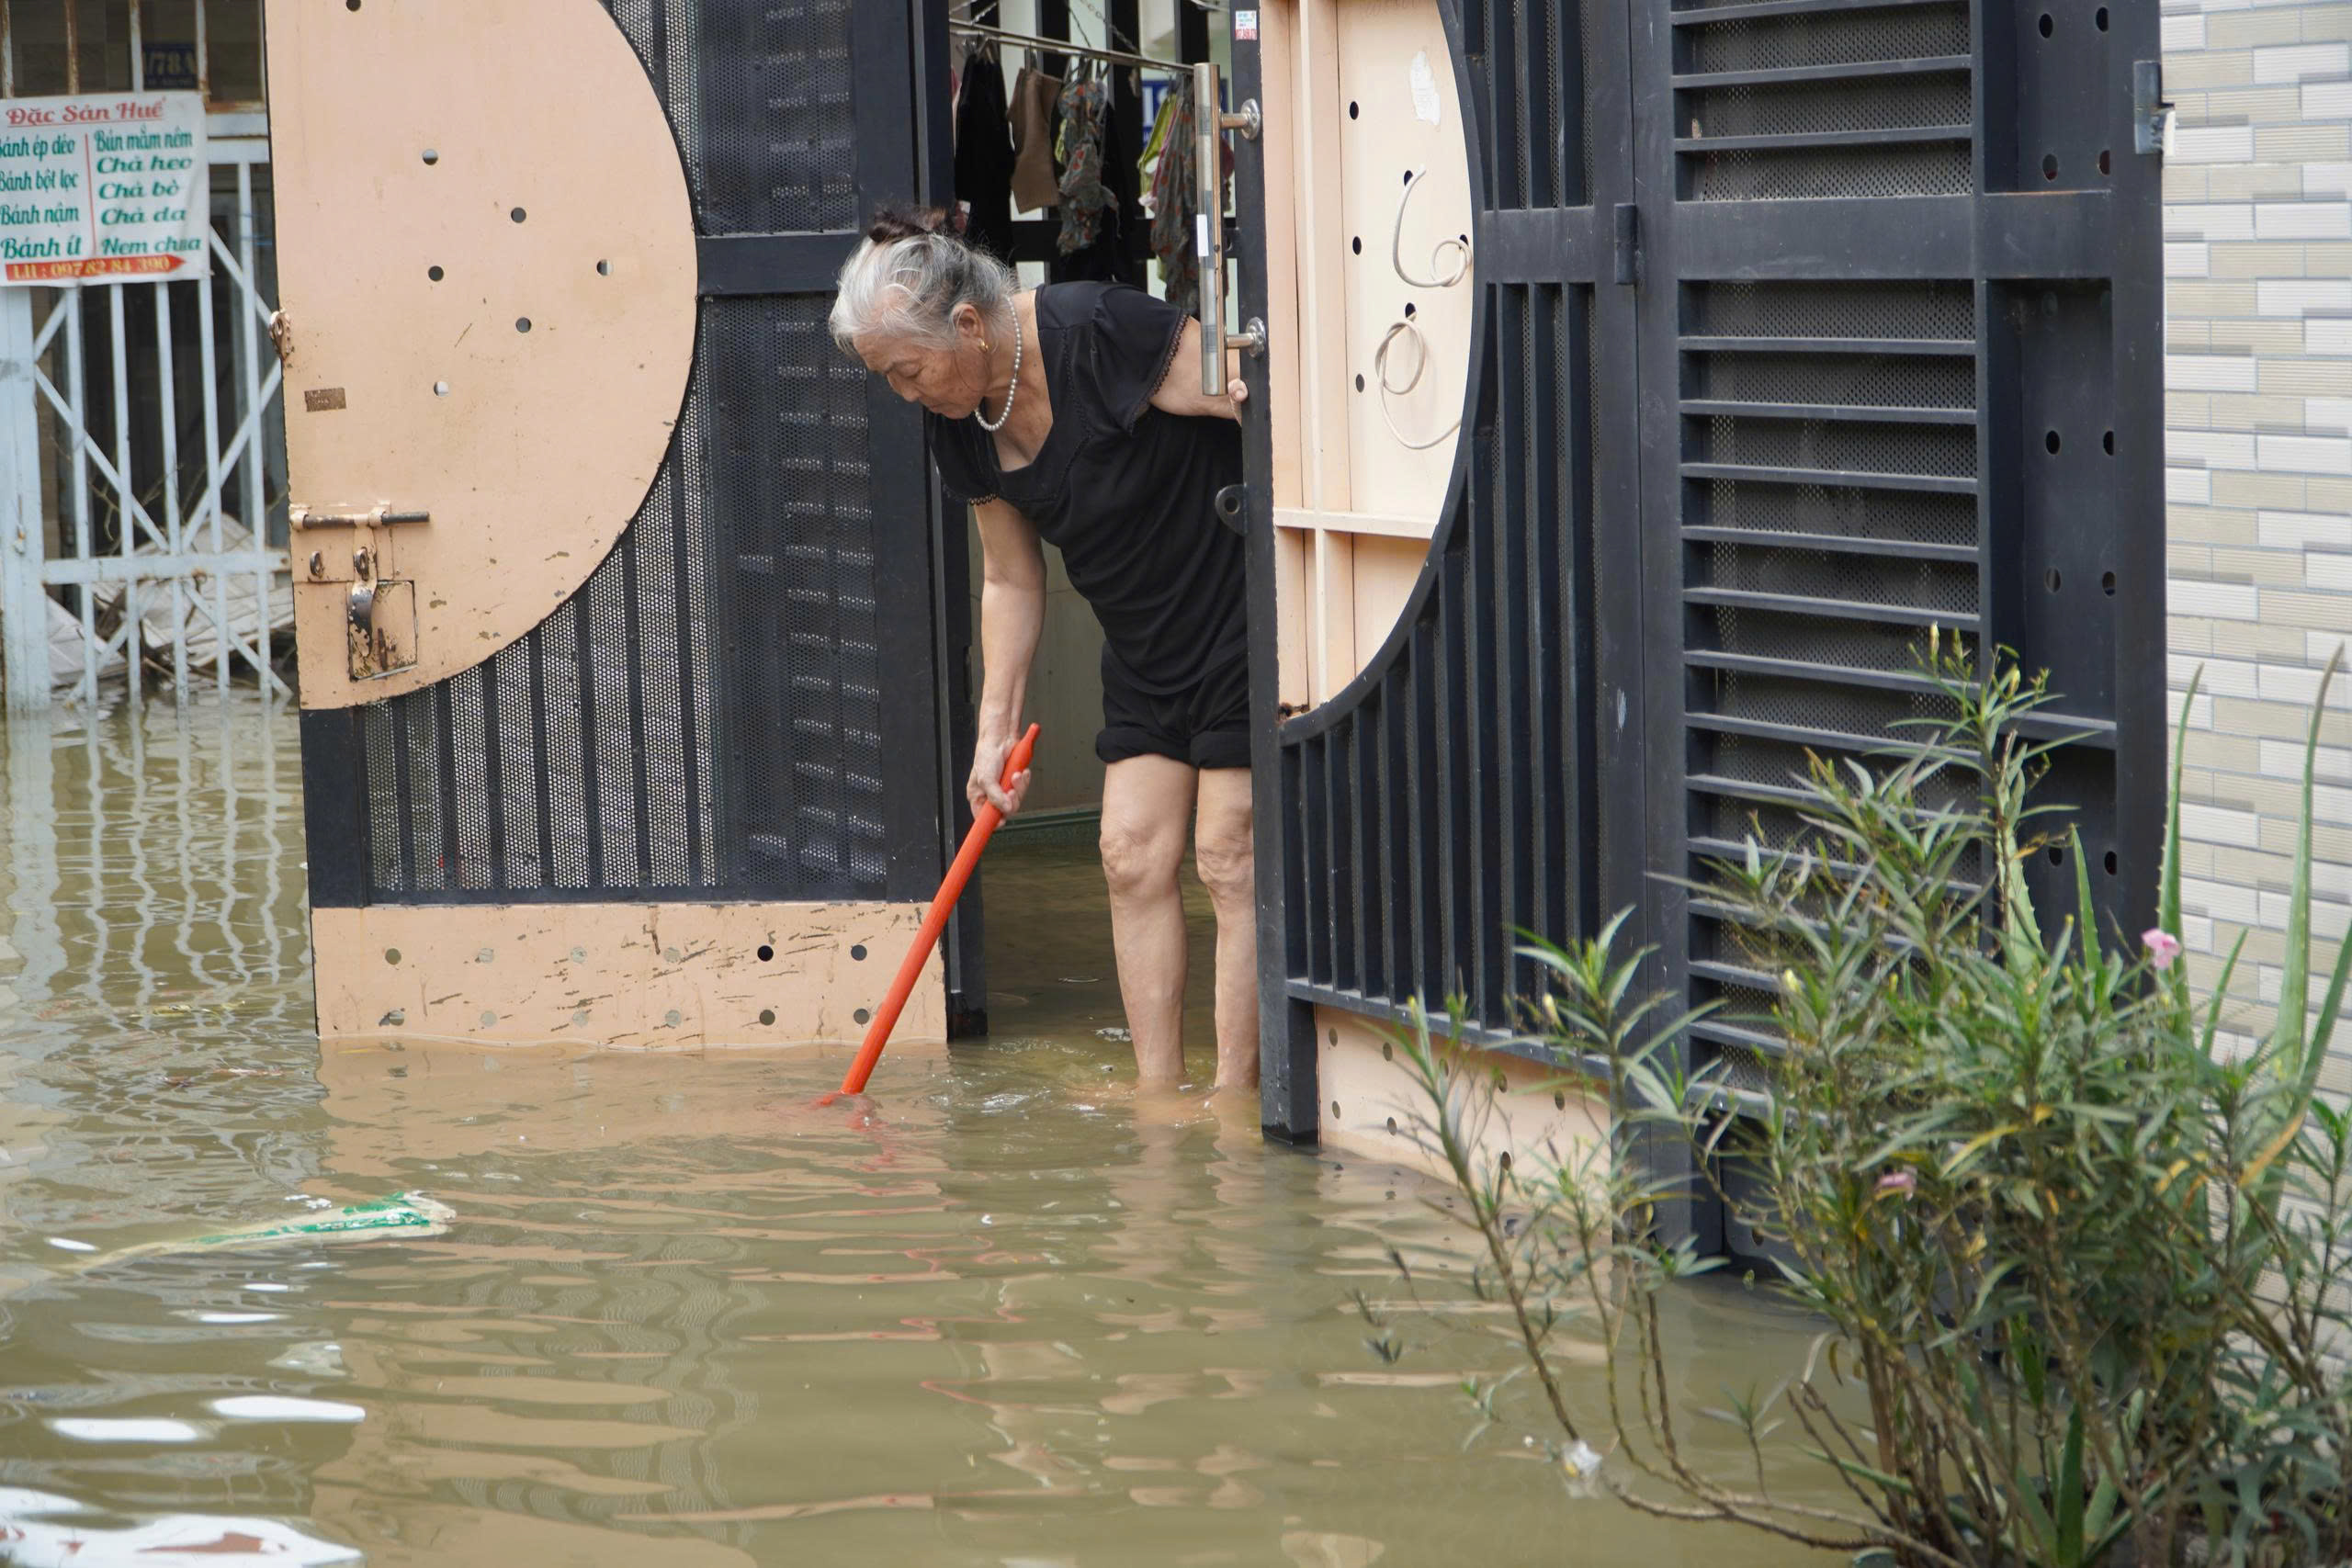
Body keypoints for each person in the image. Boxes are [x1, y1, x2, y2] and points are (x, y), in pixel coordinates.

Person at [829, 209, 1257, 1095]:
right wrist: (993, 735)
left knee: (1227, 850)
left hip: (1245, 616)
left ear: (970, 325)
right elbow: (1013, 580)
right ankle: (1158, 1098)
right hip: (1144, 641)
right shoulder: (963, 422)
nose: (907, 395)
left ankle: (1234, 1101)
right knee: (1129, 851)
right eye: (890, 381)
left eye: (908, 371)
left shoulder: (1098, 329)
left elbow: (1264, 404)